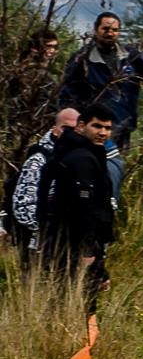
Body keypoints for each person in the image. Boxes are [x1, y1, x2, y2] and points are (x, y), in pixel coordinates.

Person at [58, 11, 143, 196]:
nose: (110, 33)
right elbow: (68, 93)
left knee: (116, 171)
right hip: (93, 128)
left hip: (122, 125)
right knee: (91, 172)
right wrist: (73, 123)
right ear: (96, 30)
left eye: (115, 30)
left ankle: (112, 204)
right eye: (106, 29)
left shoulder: (130, 56)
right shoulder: (82, 59)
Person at [36, 104, 119, 291]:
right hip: (74, 246)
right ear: (81, 126)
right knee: (77, 296)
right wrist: (89, 251)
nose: (103, 133)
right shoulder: (82, 159)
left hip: (63, 242)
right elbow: (83, 210)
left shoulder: (75, 151)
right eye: (97, 126)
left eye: (107, 128)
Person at [5, 108, 75, 259]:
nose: (69, 133)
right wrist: (44, 231)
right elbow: (23, 205)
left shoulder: (73, 157)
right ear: (55, 129)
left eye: (74, 129)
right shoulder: (38, 160)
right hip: (36, 242)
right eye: (65, 128)